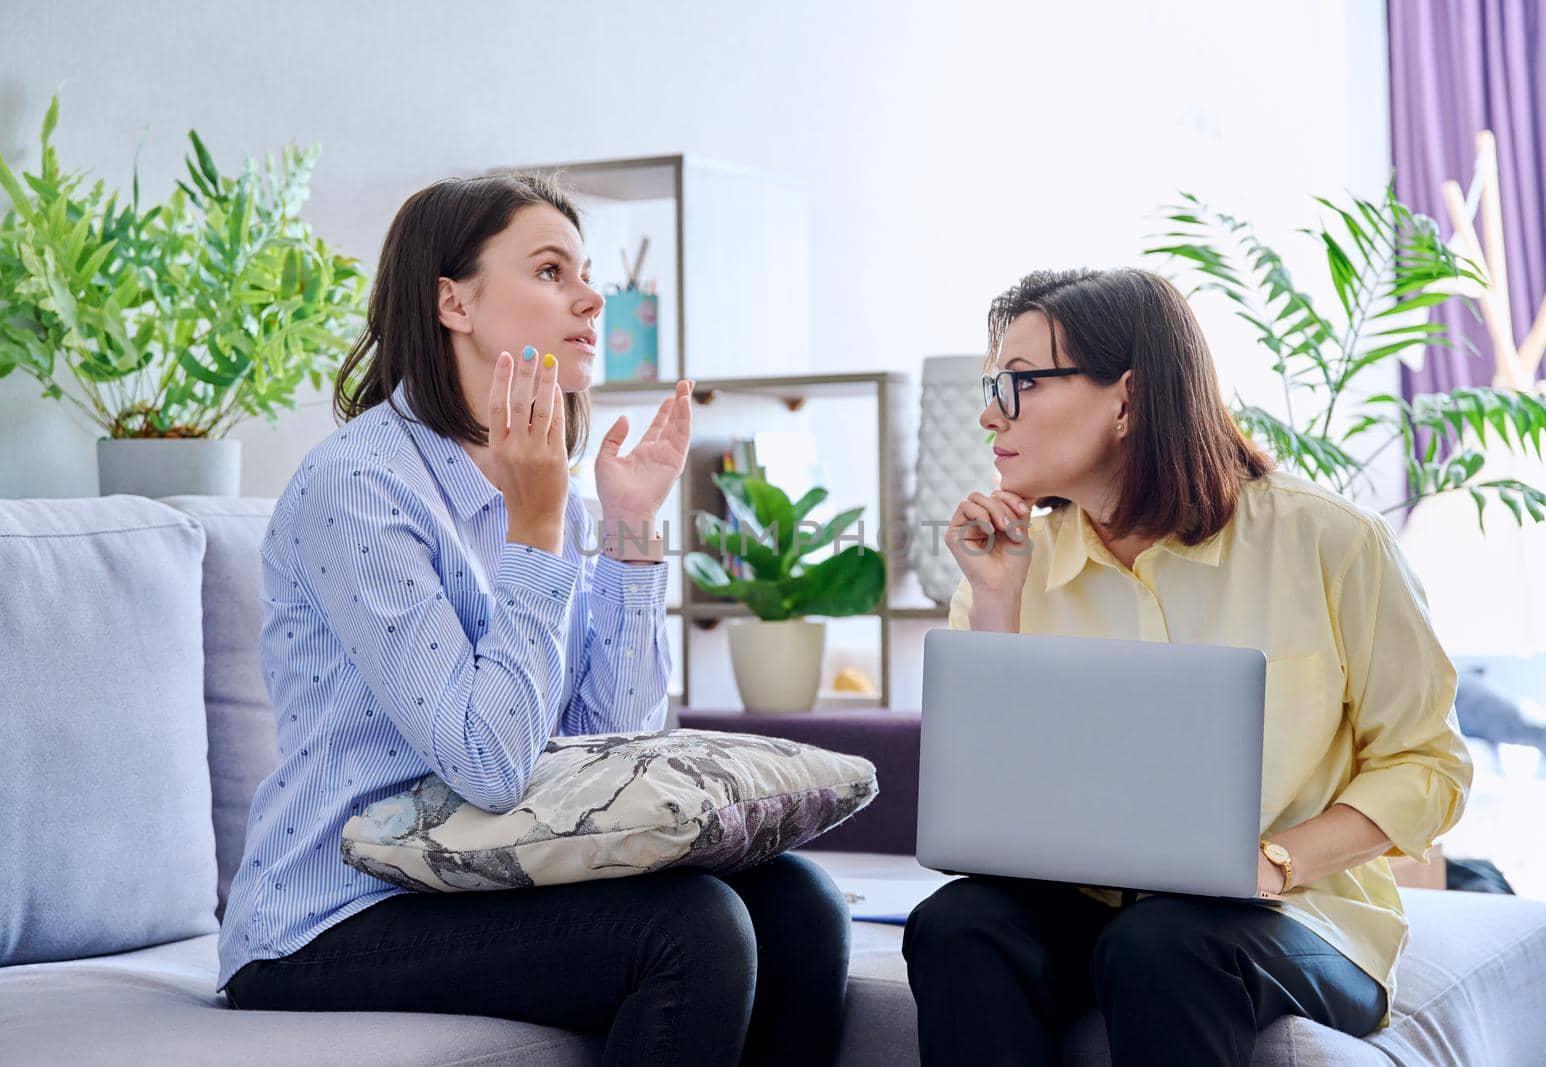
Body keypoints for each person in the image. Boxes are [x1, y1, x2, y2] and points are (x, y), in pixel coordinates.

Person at [217, 172, 851, 1067]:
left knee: (801, 906)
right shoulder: (358, 486)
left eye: (585, 273)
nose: (593, 297)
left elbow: (607, 754)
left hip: (480, 873)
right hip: (333, 914)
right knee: (695, 929)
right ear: (454, 301)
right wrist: (539, 530)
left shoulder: (545, 484)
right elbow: (488, 761)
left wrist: (628, 529)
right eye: (552, 270)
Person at [901, 267, 1473, 1066]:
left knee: (1161, 943)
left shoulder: (1332, 543)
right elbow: (986, 815)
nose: (990, 411)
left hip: (1296, 914)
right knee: (956, 924)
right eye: (996, 382)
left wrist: (1276, 860)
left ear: (1127, 399)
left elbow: (1431, 763)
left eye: (1020, 381)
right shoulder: (1010, 565)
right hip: (1085, 909)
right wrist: (997, 601)